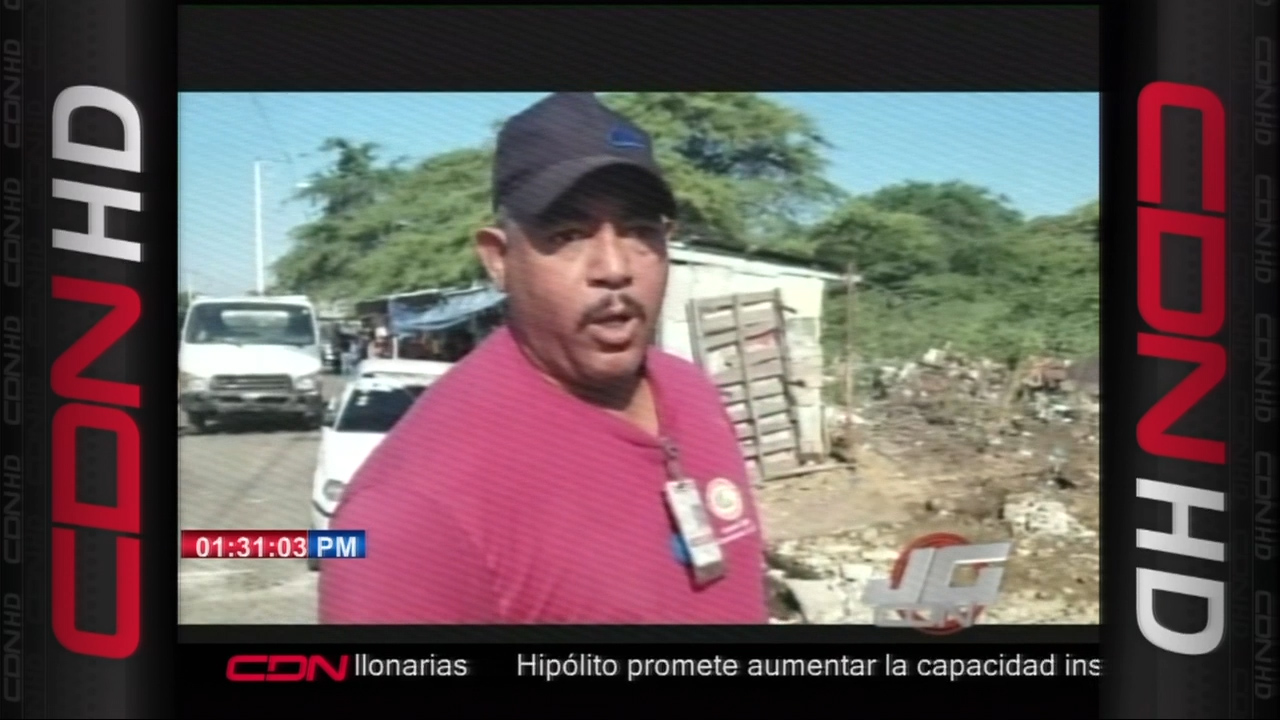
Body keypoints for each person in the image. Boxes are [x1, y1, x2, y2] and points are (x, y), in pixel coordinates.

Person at [320, 92, 767, 624]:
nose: (614, 267)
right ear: (499, 258)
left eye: (639, 230)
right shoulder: (411, 509)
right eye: (569, 235)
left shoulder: (691, 389)